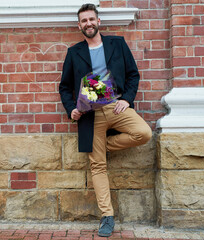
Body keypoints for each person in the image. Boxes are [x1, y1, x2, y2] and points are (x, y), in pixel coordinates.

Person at [59, 3, 152, 237]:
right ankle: (107, 217)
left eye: (91, 19)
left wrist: (128, 100)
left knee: (144, 133)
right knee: (98, 165)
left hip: (116, 106)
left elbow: (133, 74)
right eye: (83, 21)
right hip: (89, 114)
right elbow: (65, 87)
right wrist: (71, 109)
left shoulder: (117, 44)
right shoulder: (74, 52)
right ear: (79, 25)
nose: (88, 23)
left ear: (98, 21)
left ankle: (101, 147)